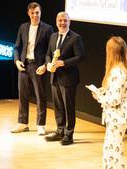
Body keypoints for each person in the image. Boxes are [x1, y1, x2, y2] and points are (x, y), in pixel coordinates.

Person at [37, 12, 85, 145]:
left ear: (69, 22)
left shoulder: (75, 38)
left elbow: (80, 57)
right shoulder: (53, 36)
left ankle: (69, 135)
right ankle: (60, 131)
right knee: (58, 106)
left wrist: (64, 63)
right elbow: (47, 55)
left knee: (68, 107)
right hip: (55, 78)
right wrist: (48, 65)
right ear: (56, 22)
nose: (63, 23)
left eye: (65, 21)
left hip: (69, 79)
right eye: (60, 21)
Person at [11, 2, 53, 135]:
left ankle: (41, 124)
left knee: (40, 96)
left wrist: (45, 65)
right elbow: (17, 47)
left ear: (40, 13)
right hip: (24, 65)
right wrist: (17, 60)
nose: (35, 15)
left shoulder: (47, 28)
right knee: (22, 95)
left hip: (38, 66)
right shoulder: (23, 27)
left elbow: (50, 50)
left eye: (37, 13)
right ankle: (23, 123)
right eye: (33, 13)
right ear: (28, 13)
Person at [91, 36, 127, 169]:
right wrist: (104, 90)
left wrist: (99, 97)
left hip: (117, 115)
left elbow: (115, 99)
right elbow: (120, 90)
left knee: (114, 149)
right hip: (121, 113)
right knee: (112, 147)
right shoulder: (126, 68)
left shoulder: (117, 71)